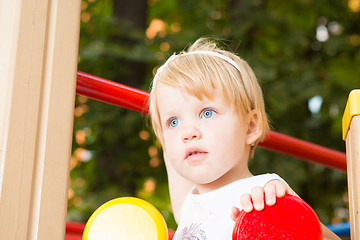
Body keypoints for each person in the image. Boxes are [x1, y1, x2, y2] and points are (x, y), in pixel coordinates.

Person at [149, 37, 340, 240]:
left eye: (207, 113)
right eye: (174, 122)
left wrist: (287, 215)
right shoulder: (188, 205)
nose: (188, 133)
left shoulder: (266, 194)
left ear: (250, 126)